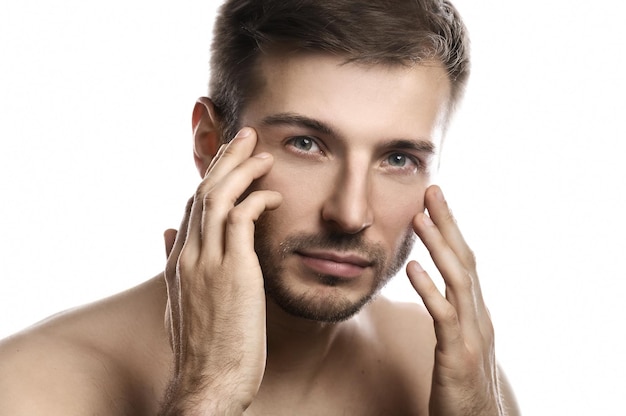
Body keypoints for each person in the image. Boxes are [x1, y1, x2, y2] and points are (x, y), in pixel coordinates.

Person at [0, 0, 520, 414]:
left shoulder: (446, 367)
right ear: (210, 144)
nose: (350, 212)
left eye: (398, 157)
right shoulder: (29, 391)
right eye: (305, 144)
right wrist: (208, 396)